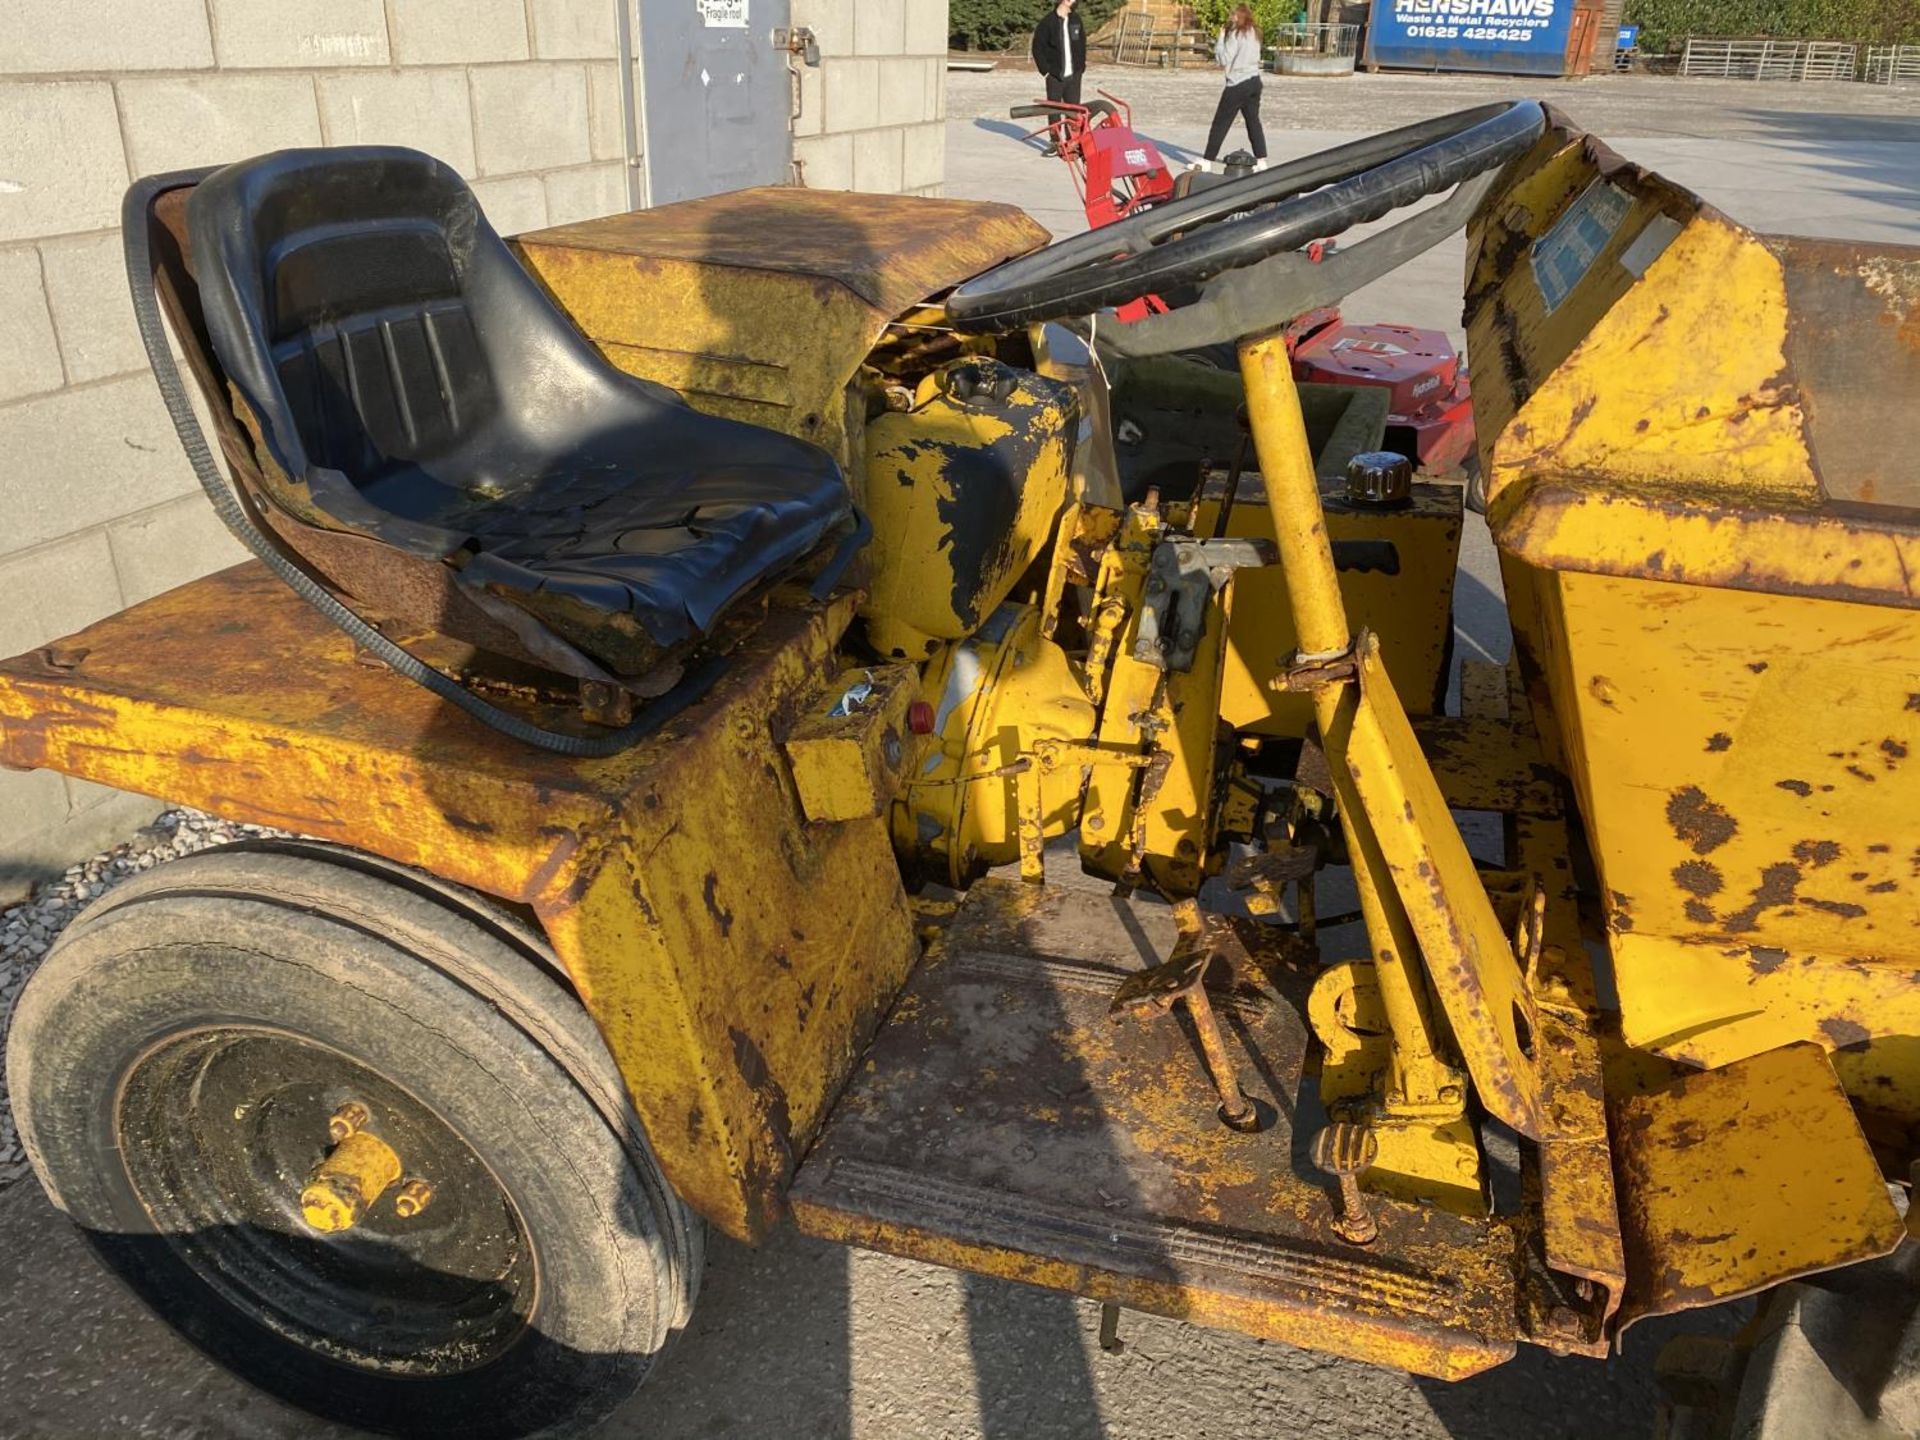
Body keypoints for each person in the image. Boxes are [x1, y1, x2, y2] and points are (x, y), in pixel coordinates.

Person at [1204, 5, 1268, 170]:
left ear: (1238, 17)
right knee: (1253, 121)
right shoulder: (1255, 32)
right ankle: (1261, 160)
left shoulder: (1235, 34)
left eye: (1233, 15)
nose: (1231, 18)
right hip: (1254, 81)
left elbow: (1224, 59)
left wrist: (1220, 38)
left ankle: (1207, 160)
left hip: (1237, 83)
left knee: (1221, 123)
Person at [1031, 0, 1086, 107]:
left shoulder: (1076, 20)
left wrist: (1081, 66)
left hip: (1074, 76)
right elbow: (1037, 48)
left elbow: (1082, 43)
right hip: (1055, 76)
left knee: (1074, 113)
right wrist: (1046, 71)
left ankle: (1071, 125)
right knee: (1054, 112)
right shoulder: (1047, 22)